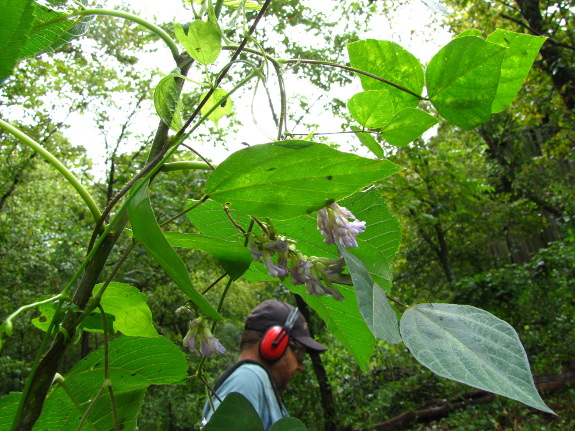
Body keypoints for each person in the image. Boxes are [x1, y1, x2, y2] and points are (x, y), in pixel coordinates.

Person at [201, 299, 327, 430]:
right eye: (299, 354)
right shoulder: (248, 379)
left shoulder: (257, 382)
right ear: (275, 343)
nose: (300, 366)